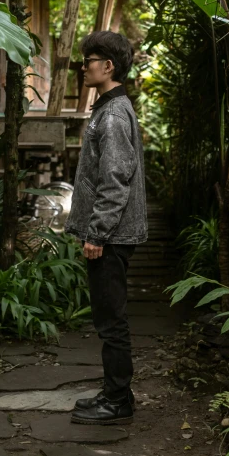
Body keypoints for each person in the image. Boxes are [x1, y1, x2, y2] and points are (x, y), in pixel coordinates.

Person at [65, 30, 148, 425]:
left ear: (108, 66)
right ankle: (115, 392)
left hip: (111, 235)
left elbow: (115, 178)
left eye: (90, 61)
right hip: (111, 232)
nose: (84, 67)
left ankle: (118, 401)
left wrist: (97, 233)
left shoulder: (113, 114)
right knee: (107, 315)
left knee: (111, 318)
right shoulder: (108, 107)